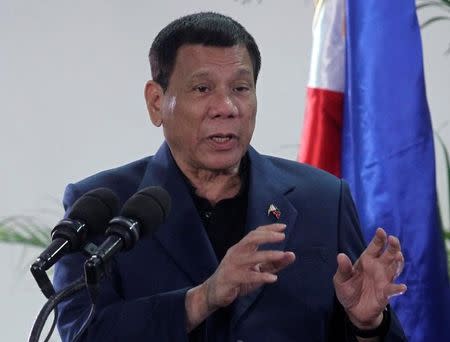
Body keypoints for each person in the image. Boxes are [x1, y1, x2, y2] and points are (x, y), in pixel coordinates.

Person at [54, 12, 407, 342]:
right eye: (202, 89)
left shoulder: (324, 200)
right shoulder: (102, 205)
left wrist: (368, 325)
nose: (227, 107)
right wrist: (201, 299)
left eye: (240, 88)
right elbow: (81, 333)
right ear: (157, 102)